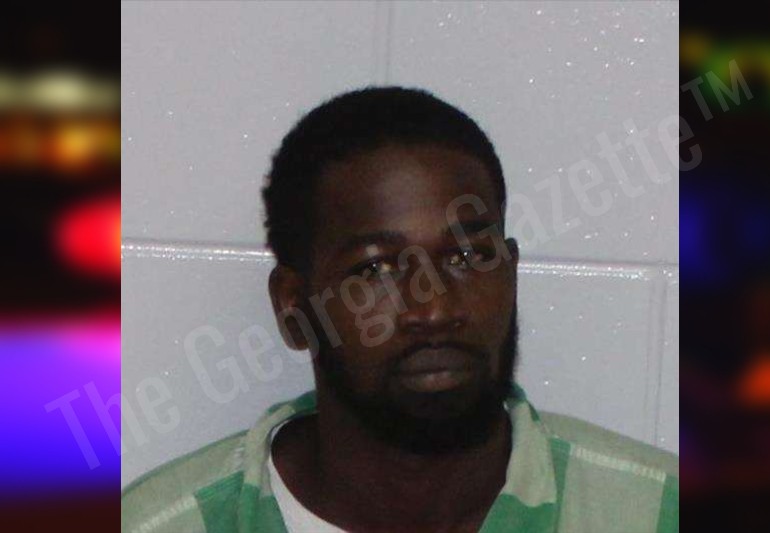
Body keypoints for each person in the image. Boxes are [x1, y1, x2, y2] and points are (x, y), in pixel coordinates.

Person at [122, 87, 678, 533]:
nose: (434, 308)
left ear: (510, 272)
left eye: (467, 256)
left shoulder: (657, 513)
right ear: (294, 309)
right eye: (375, 269)